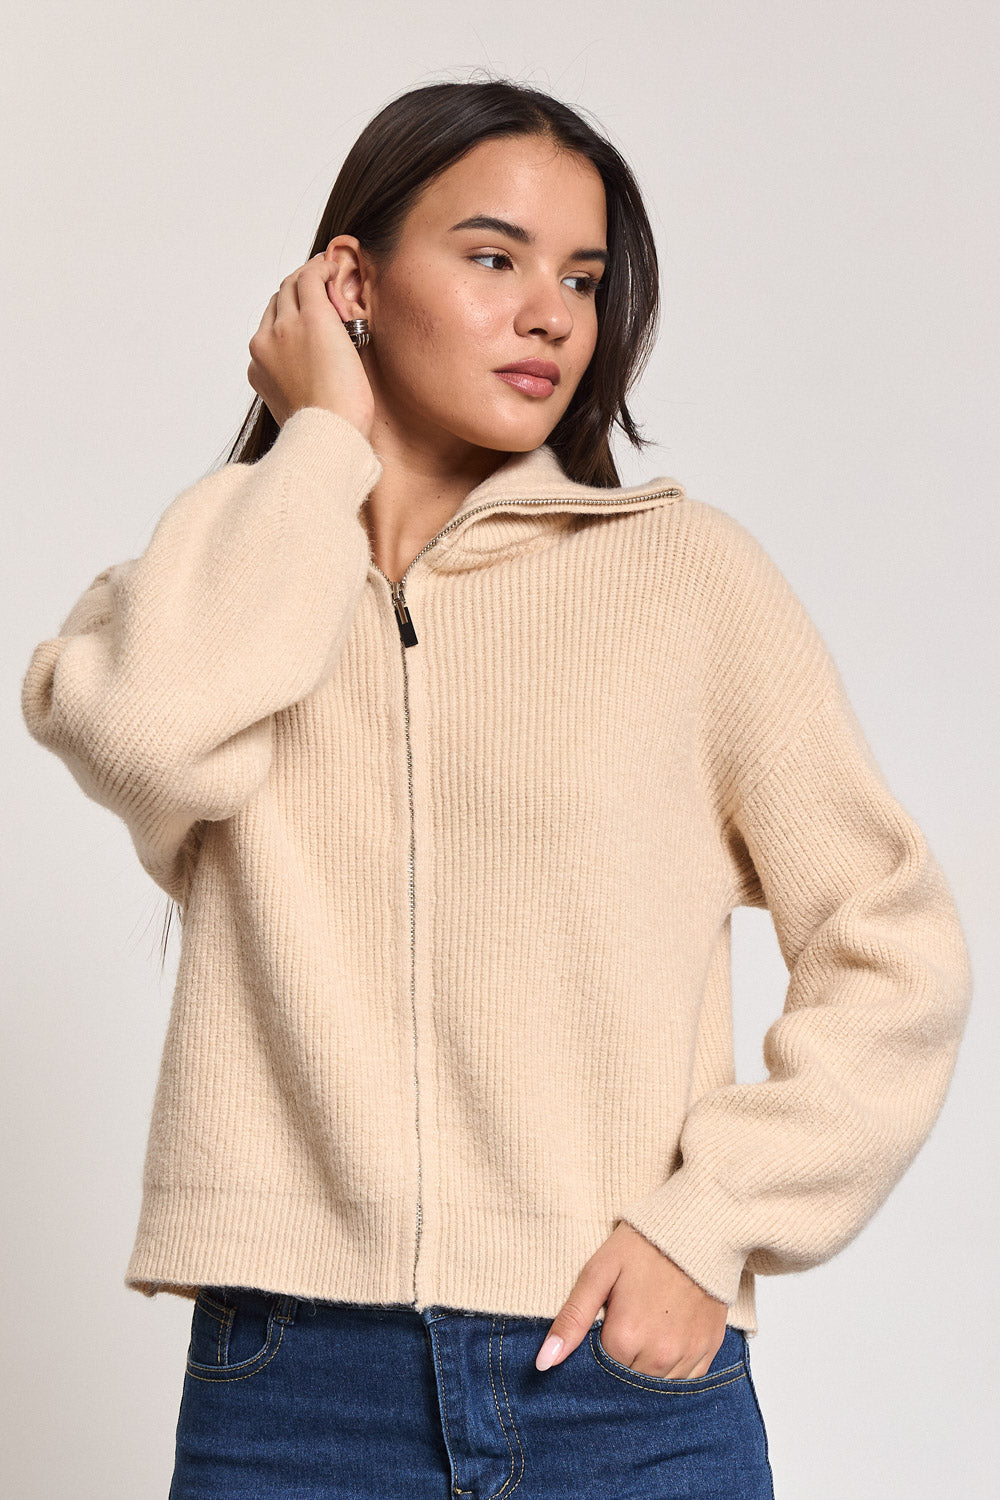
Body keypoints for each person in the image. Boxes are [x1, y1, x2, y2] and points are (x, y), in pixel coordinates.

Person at [20, 77, 972, 1500]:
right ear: (351, 282)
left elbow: (892, 941)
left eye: (580, 278)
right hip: (292, 1392)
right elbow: (145, 738)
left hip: (617, 1391)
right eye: (493, 256)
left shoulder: (686, 581)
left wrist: (709, 1223)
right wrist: (319, 446)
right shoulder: (233, 584)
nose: (551, 316)